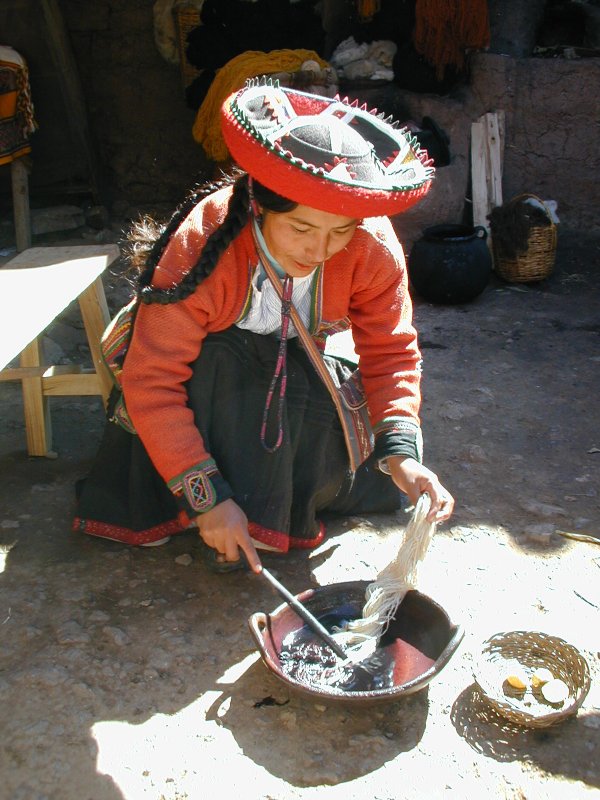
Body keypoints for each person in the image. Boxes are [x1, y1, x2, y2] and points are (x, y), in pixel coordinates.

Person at [74, 81, 455, 573]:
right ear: (260, 206)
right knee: (223, 359)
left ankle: (266, 507)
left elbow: (391, 352)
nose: (319, 251)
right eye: (300, 229)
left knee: (316, 411)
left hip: (300, 361)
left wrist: (403, 457)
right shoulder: (202, 244)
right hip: (208, 374)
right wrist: (207, 499)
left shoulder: (371, 246)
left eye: (339, 233)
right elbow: (153, 380)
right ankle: (207, 504)